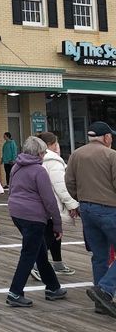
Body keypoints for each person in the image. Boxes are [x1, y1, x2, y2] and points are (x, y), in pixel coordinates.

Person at [5, 135, 67, 307]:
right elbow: (49, 200)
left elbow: (11, 189)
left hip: (17, 213)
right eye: (43, 152)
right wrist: (57, 224)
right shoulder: (39, 171)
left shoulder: (16, 166)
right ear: (39, 153)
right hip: (34, 216)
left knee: (39, 251)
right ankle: (15, 292)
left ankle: (53, 287)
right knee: (29, 254)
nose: (44, 155)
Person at [65, 120, 116, 318]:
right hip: (109, 209)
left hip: (86, 209)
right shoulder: (111, 155)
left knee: (99, 255)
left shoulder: (76, 154)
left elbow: (69, 182)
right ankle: (104, 289)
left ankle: (101, 302)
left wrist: (81, 199)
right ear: (106, 137)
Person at [30, 131, 78, 279]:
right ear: (51, 145)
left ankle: (58, 262)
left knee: (54, 233)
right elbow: (61, 186)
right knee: (51, 235)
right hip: (52, 203)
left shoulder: (35, 157)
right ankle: (36, 264)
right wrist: (72, 204)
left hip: (37, 203)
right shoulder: (54, 161)